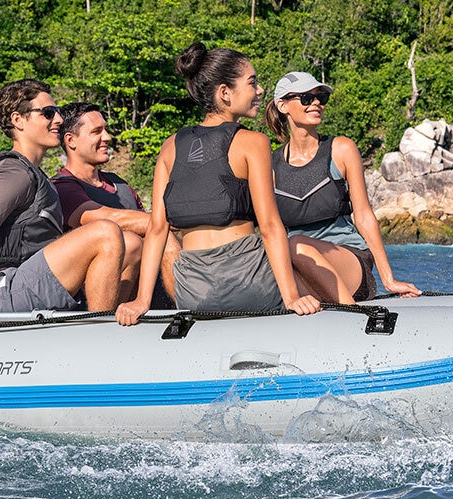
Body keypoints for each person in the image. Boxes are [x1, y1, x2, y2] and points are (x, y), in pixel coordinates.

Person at [116, 43, 321, 326]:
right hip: (250, 283)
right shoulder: (253, 142)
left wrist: (141, 301)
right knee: (304, 258)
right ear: (225, 93)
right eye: (252, 83)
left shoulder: (169, 147)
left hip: (194, 293)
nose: (260, 90)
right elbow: (270, 226)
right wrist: (291, 298)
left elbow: (157, 229)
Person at [0, 80, 124, 352]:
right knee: (105, 233)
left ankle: (122, 323)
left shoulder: (35, 175)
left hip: (22, 284)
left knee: (132, 244)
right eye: (47, 113)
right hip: (1, 295)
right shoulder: (13, 174)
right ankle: (98, 344)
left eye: (57, 113)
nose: (58, 119)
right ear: (17, 120)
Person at [264, 70, 420, 303]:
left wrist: (388, 279)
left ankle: (352, 314)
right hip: (297, 265)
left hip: (348, 259)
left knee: (295, 244)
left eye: (321, 98)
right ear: (283, 105)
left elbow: (364, 215)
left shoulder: (341, 149)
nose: (316, 103)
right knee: (277, 253)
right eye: (306, 98)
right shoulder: (270, 166)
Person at [51, 100, 179, 305]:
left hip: (147, 297)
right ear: (70, 140)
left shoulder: (120, 185)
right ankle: (185, 311)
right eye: (97, 132)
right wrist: (174, 220)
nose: (107, 138)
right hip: (96, 301)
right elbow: (110, 219)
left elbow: (146, 224)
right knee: (157, 237)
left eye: (106, 130)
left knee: (166, 235)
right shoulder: (62, 188)